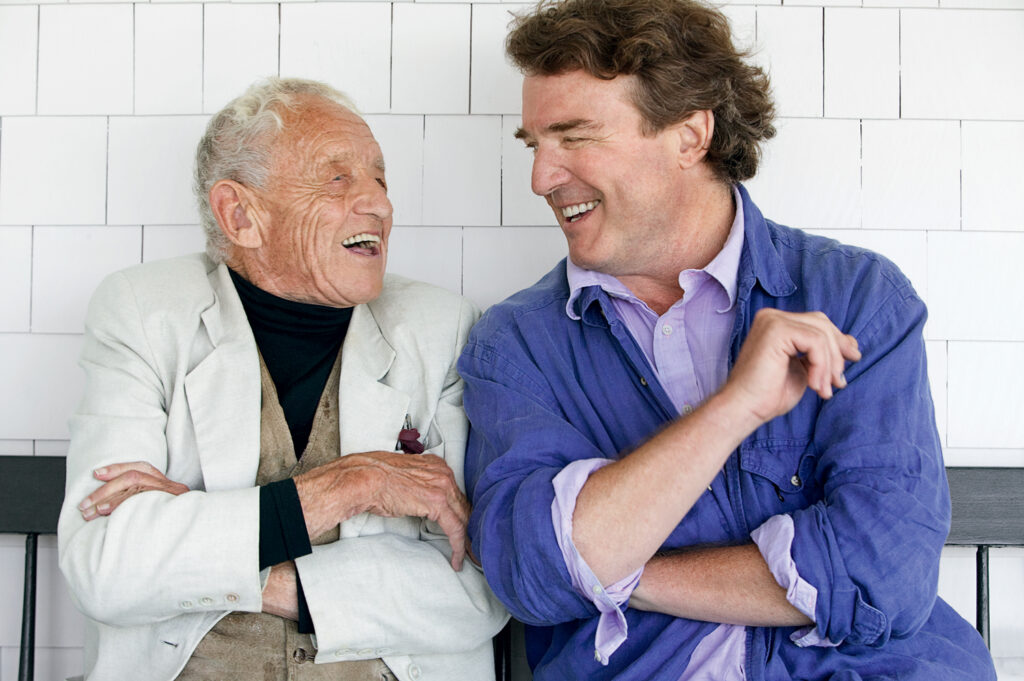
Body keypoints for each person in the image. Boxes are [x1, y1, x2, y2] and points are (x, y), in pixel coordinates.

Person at [457, 0, 997, 679]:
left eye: (575, 136)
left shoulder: (858, 299)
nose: (541, 177)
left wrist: (624, 567)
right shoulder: (516, 345)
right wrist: (735, 408)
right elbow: (533, 572)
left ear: (690, 134)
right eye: (534, 145)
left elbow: (882, 573)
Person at [57, 77, 507, 681]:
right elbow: (106, 567)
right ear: (240, 214)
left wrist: (221, 547)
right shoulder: (144, 312)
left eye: (380, 178)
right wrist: (353, 485)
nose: (379, 203)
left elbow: (476, 589)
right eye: (338, 178)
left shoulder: (443, 327)